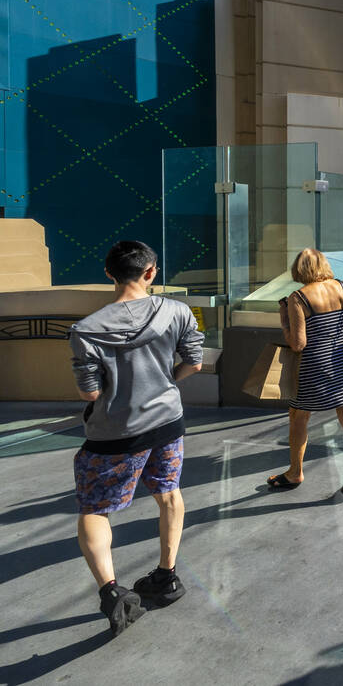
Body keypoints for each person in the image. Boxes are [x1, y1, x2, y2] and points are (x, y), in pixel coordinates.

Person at [69, 240, 203, 637]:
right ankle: (167, 576)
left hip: (114, 433)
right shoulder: (179, 312)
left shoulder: (85, 330)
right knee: (169, 493)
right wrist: (164, 383)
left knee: (95, 509)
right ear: (150, 273)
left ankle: (112, 593)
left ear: (109, 274)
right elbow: (194, 362)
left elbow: (90, 393)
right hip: (167, 422)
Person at [267, 248, 343, 495]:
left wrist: (284, 320)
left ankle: (295, 472)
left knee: (299, 415)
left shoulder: (298, 298)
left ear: (299, 269)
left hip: (314, 365)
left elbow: (298, 344)